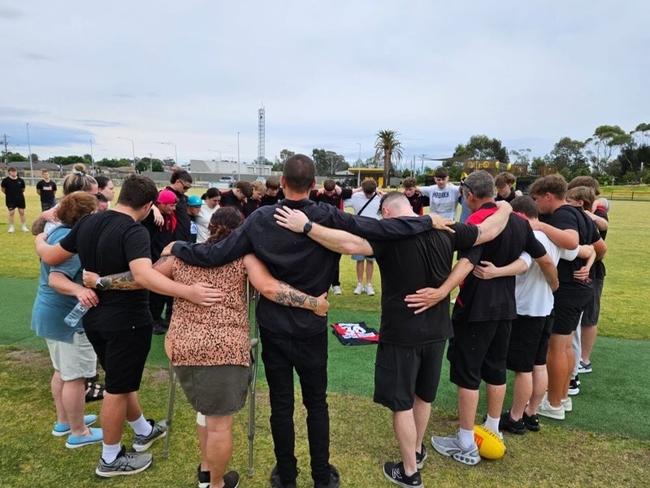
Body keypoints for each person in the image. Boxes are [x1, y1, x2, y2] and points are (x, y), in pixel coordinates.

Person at [166, 154, 443, 488]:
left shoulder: (263, 218)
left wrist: (178, 247)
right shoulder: (325, 215)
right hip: (309, 323)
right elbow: (379, 227)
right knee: (315, 403)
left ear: (282, 183)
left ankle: (288, 474)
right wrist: (425, 222)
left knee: (282, 403)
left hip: (279, 326)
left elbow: (215, 253)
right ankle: (319, 474)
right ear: (313, 186)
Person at [274, 191, 512, 488]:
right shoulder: (445, 228)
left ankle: (410, 472)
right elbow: (490, 229)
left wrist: (306, 227)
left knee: (402, 404)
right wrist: (505, 205)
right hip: (438, 330)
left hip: (402, 333)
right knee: (423, 396)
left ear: (387, 213)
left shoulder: (390, 235)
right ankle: (415, 450)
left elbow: (348, 243)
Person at [84, 206, 331, 488]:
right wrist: (315, 304)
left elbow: (141, 278)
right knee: (219, 424)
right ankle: (216, 484)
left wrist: (101, 281)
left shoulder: (182, 255)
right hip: (224, 350)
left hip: (183, 346)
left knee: (206, 413)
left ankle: (206, 470)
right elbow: (271, 288)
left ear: (210, 225)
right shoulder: (244, 257)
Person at [35, 174, 221, 478]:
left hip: (94, 318)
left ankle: (143, 429)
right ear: (148, 205)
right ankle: (110, 458)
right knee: (118, 389)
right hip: (127, 322)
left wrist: (40, 236)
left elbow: (52, 256)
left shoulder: (88, 222)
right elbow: (144, 276)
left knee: (122, 381)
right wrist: (189, 292)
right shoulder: (134, 231)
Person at [430, 171, 557, 466]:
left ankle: (465, 441)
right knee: (495, 368)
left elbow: (465, 261)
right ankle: (492, 427)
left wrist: (441, 291)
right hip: (506, 308)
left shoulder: (477, 223)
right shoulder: (518, 221)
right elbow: (542, 259)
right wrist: (554, 286)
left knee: (468, 373)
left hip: (475, 308)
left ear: (470, 195)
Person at [472, 196, 593, 434]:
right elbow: (581, 250)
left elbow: (526, 263)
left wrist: (496, 272)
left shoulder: (532, 237)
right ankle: (532, 412)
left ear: (519, 216)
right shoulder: (553, 236)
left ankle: (516, 417)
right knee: (538, 363)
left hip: (525, 309)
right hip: (545, 308)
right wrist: (588, 260)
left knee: (523, 368)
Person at [527, 175, 606, 420]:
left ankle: (553, 404)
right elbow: (599, 247)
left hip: (569, 289)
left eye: (537, 199)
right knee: (567, 344)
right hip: (581, 287)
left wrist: (541, 226)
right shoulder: (581, 214)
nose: (536, 204)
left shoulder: (562, 215)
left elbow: (571, 242)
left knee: (557, 348)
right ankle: (562, 397)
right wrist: (589, 265)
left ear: (548, 196)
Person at [31, 192, 103, 449]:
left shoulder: (59, 233)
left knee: (62, 372)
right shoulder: (72, 242)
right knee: (76, 377)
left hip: (51, 314)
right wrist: (80, 291)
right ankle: (78, 432)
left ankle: (65, 421)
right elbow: (56, 278)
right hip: (66, 319)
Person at [567, 177, 609, 377]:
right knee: (574, 322)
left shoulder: (596, 212)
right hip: (579, 269)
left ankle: (584, 359)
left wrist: (590, 261)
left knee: (589, 317)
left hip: (592, 272)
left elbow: (601, 244)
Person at [142, 189, 179, 335]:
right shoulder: (151, 216)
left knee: (161, 294)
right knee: (153, 294)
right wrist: (153, 208)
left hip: (162, 256)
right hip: (152, 258)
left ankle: (157, 318)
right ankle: (152, 321)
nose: (173, 208)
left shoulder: (169, 217)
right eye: (170, 205)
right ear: (160, 204)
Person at [310, 179, 353, 295]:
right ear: (324, 189)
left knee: (335, 259)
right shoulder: (317, 195)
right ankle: (322, 284)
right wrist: (317, 191)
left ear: (335, 188)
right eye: (327, 192)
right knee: (320, 259)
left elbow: (354, 191)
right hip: (320, 231)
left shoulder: (340, 193)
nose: (329, 194)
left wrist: (341, 190)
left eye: (331, 191)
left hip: (337, 231)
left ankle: (335, 284)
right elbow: (306, 192)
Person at [343, 178, 380, 296]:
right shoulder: (357, 196)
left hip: (374, 232)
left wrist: (382, 193)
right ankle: (359, 284)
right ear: (363, 190)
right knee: (359, 260)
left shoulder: (380, 197)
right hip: (358, 231)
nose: (368, 195)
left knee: (370, 260)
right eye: (366, 192)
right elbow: (341, 199)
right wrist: (357, 190)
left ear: (375, 189)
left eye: (371, 192)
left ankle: (369, 284)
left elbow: (392, 200)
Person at [166, 169, 193, 241]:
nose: (186, 190)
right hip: (173, 237)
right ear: (178, 182)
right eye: (185, 187)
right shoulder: (166, 194)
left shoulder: (183, 196)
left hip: (184, 236)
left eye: (188, 188)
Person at [2, 166, 28, 232]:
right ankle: (11, 227)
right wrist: (9, 194)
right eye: (12, 171)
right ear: (9, 172)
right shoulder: (5, 180)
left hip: (20, 199)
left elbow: (23, 189)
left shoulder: (20, 180)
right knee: (11, 213)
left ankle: (24, 226)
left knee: (22, 212)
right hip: (10, 199)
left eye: (15, 171)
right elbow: (3, 190)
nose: (14, 173)